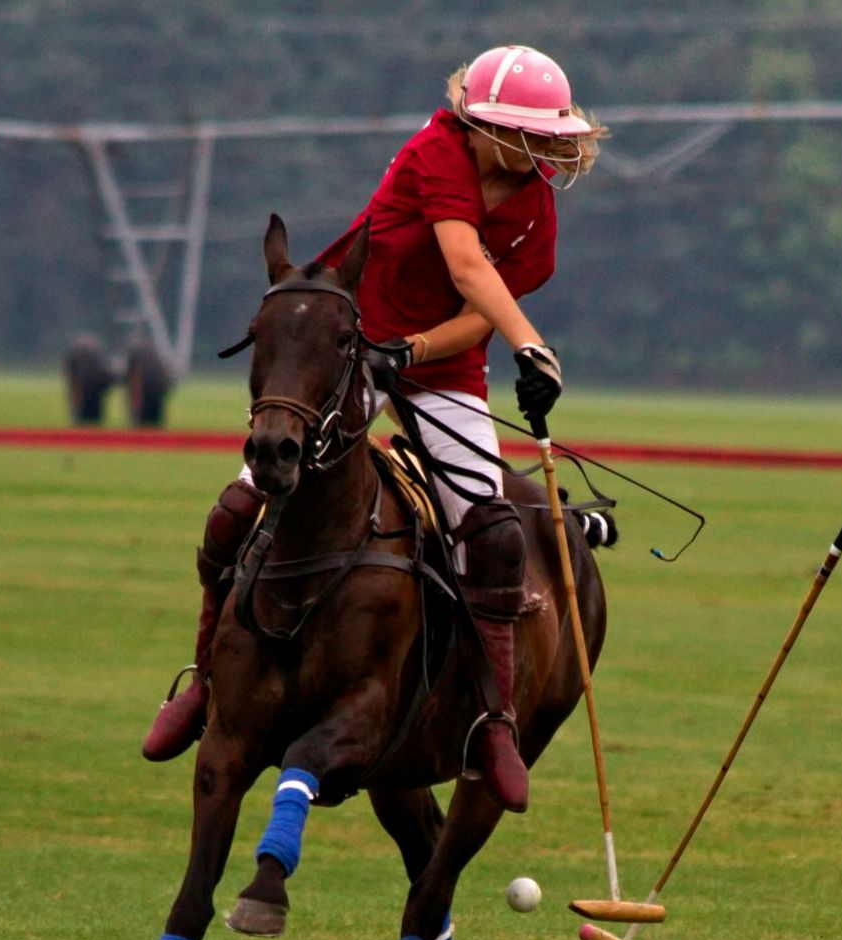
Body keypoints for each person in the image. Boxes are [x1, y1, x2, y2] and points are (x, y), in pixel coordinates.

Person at [141, 45, 605, 815]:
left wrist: (424, 352)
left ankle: (494, 721)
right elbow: (464, 265)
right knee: (239, 509)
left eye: (541, 136)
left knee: (490, 534)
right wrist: (530, 344)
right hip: (347, 347)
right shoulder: (436, 153)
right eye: (512, 132)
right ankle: (204, 686)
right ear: (477, 122)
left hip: (436, 365)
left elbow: (470, 314)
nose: (530, 149)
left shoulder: (537, 216)